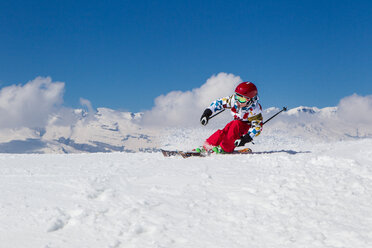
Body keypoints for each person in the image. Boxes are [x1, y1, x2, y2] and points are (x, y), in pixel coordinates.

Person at [196, 81, 263, 154]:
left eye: (242, 99)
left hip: (246, 126)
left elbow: (257, 126)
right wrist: (207, 113)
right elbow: (219, 103)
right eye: (237, 97)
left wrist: (246, 138)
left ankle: (225, 148)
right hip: (236, 123)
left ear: (251, 100)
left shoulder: (254, 109)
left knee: (235, 126)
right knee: (225, 131)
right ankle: (208, 145)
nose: (238, 101)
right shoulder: (234, 101)